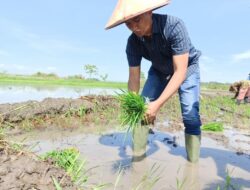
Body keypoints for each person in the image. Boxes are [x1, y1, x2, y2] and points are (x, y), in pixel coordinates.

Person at [106, 0, 202, 163]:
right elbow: (134, 77)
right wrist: (134, 104)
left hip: (186, 69)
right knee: (140, 110)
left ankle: (193, 164)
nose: (134, 27)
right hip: (159, 70)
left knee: (190, 114)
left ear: (149, 12)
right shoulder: (133, 42)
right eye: (128, 24)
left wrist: (156, 105)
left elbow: (179, 72)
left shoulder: (173, 26)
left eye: (137, 20)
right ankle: (138, 158)